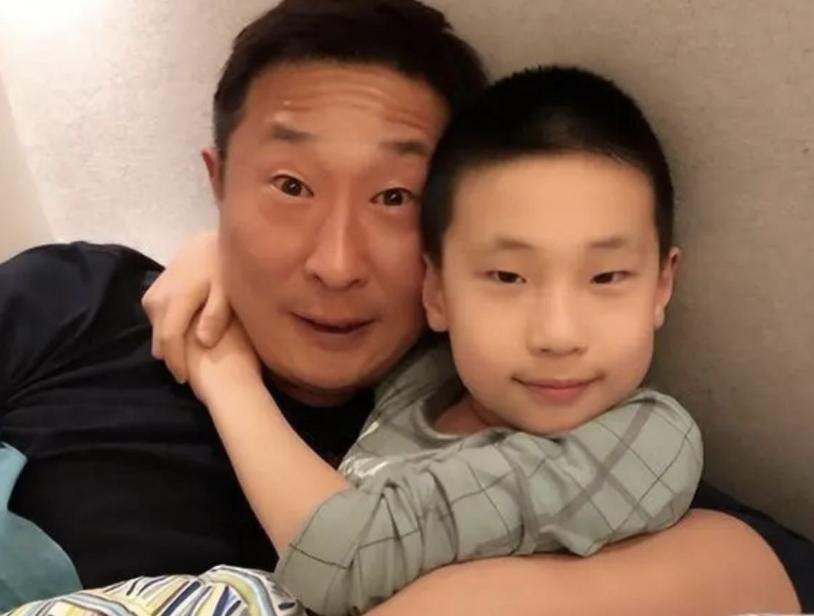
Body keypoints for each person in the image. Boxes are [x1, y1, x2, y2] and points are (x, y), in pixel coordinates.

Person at [0, 0, 809, 614]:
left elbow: (772, 563)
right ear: (217, 183)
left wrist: (223, 364)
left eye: (394, 196)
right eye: (290, 186)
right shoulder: (78, 300)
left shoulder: (500, 404)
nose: (336, 263)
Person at [138, 66, 703, 616]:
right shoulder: (432, 376)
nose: (558, 335)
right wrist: (217, 253)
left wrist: (224, 372)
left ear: (662, 286)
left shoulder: (649, 440)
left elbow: (342, 562)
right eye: (508, 277)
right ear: (436, 290)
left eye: (606, 277)